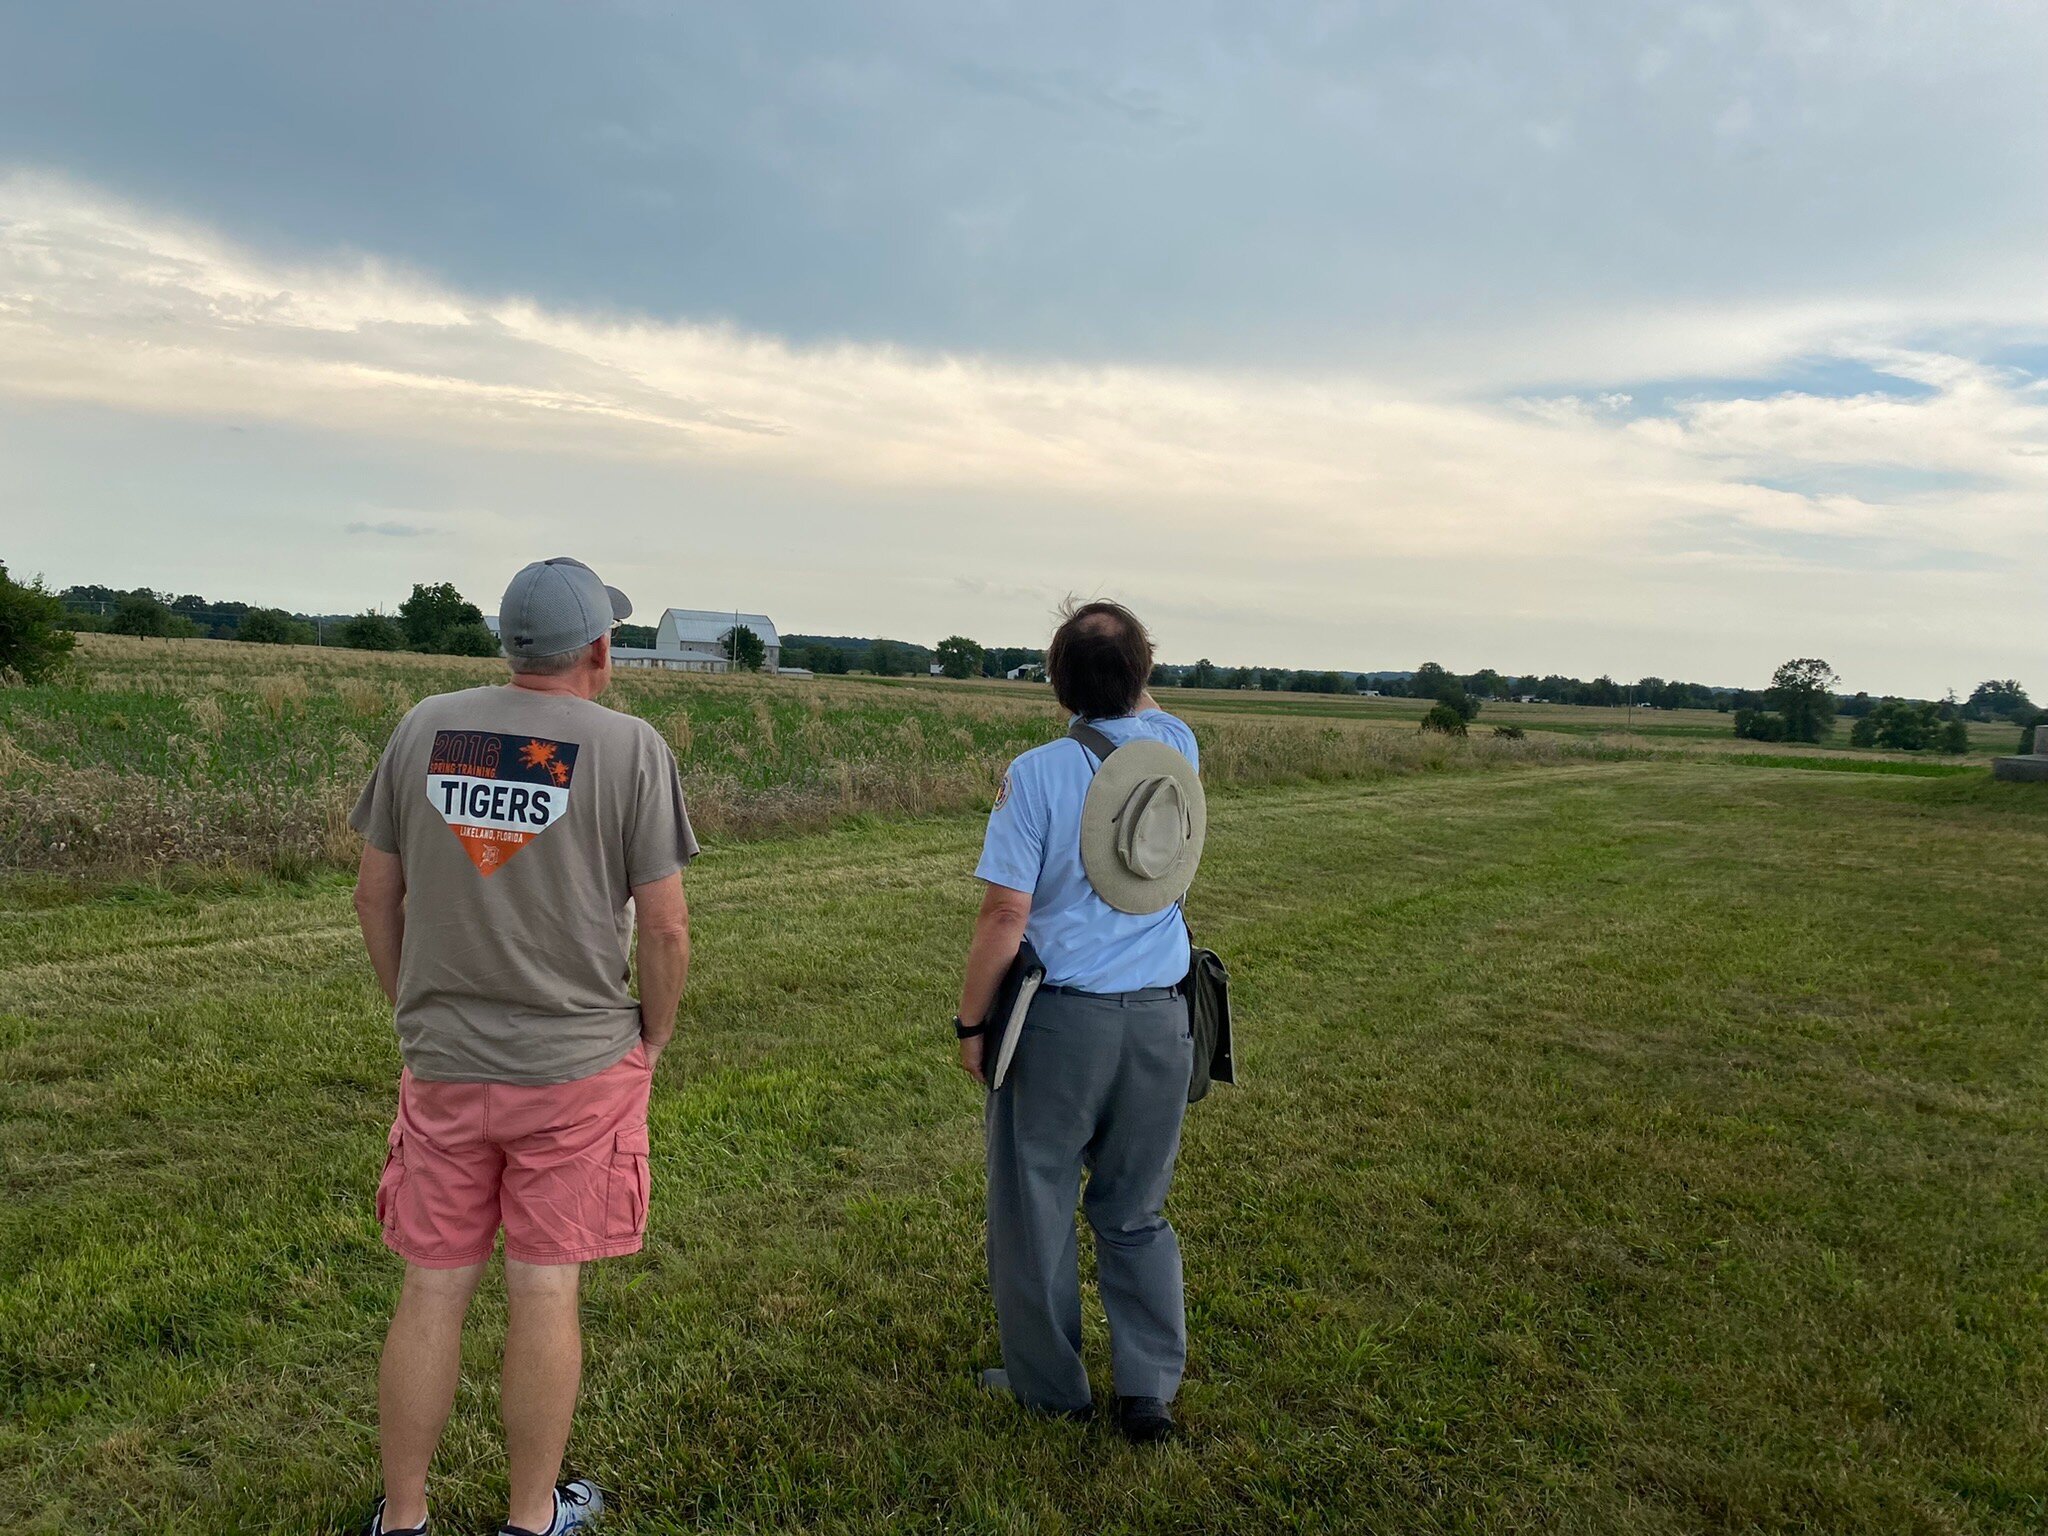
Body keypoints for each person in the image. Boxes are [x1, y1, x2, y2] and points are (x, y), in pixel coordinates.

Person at [349, 558, 698, 1536]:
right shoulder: (630, 748)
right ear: (598, 650)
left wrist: (413, 1014)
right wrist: (652, 1038)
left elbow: (375, 895)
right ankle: (530, 1518)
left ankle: (405, 1519)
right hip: (579, 1071)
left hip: (444, 1064)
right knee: (544, 1288)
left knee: (431, 1286)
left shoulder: (427, 727)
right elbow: (666, 931)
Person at [955, 599, 1202, 1443]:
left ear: (1056, 681)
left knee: (1035, 1207)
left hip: (1062, 1024)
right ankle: (1148, 1393)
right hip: (1165, 1020)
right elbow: (1148, 707)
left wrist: (969, 1024)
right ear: (1144, 677)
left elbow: (1003, 917)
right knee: (1137, 1210)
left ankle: (1050, 1388)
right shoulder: (1177, 751)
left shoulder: (1038, 773)